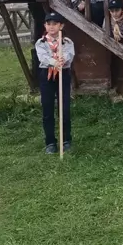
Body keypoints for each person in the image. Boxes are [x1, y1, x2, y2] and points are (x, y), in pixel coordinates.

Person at [35, 12, 75, 154]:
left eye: (55, 24)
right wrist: (54, 61)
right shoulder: (41, 42)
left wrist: (63, 59)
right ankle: (50, 142)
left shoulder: (67, 42)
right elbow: (42, 57)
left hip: (63, 73)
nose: (51, 27)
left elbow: (70, 55)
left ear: (61, 26)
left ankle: (66, 140)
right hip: (47, 74)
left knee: (64, 108)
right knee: (47, 109)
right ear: (45, 25)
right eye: (49, 24)